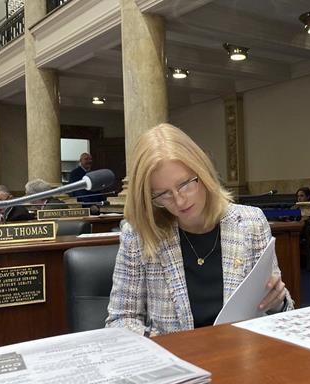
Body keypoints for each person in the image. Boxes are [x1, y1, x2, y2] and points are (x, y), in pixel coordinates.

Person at [105, 123, 293, 337]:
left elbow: (282, 311)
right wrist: (163, 343)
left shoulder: (251, 223)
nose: (179, 200)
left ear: (203, 173)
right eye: (163, 194)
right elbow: (120, 320)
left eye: (185, 184)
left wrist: (278, 303)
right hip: (174, 355)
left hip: (241, 351)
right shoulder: (139, 234)